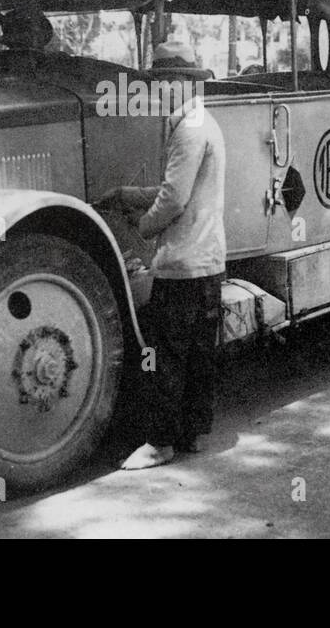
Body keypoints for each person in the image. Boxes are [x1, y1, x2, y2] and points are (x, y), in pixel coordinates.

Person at [102, 40, 227, 469]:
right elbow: (177, 191)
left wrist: (141, 228)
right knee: (198, 353)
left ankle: (159, 443)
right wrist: (129, 195)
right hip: (207, 260)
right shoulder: (202, 121)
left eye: (162, 82)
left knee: (164, 355)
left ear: (180, 83)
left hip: (181, 263)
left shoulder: (187, 128)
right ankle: (191, 433)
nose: (157, 91)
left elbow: (173, 199)